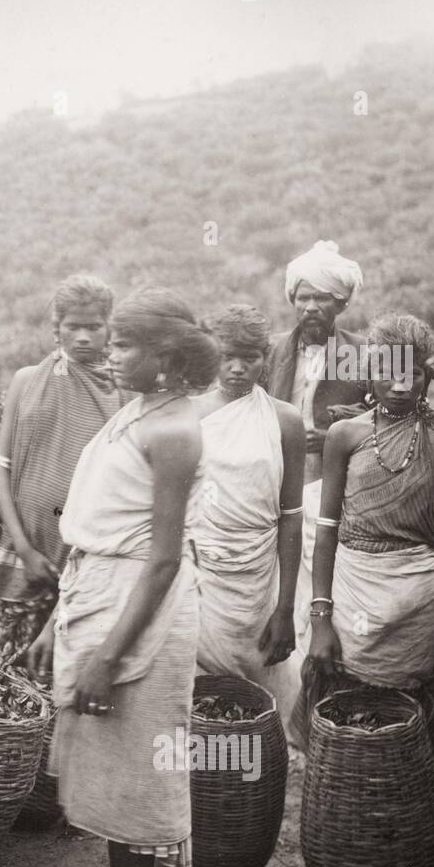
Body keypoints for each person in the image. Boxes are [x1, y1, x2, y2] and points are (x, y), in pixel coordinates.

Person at [28, 288, 217, 867]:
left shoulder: (175, 431)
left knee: (136, 772)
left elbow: (163, 558)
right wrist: (60, 617)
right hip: (102, 591)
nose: (110, 354)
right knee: (109, 769)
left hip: (143, 608)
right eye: (110, 343)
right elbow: (103, 528)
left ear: (166, 358)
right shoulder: (138, 412)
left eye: (124, 345)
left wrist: (109, 655)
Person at [306, 315, 434, 755]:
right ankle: (343, 802)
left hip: (419, 598)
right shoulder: (344, 436)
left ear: (426, 378)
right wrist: (320, 619)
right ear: (370, 376)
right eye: (388, 373)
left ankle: (404, 804)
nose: (399, 386)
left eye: (411, 374)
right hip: (354, 589)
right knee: (343, 708)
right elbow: (326, 531)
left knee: (410, 720)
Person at [0, 275, 124, 671]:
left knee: (67, 676)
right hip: (24, 554)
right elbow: (2, 471)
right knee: (12, 680)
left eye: (93, 327)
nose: (82, 336)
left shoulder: (123, 392)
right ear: (56, 329)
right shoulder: (28, 381)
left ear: (109, 328)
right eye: (72, 326)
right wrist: (25, 549)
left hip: (89, 559)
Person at [192, 305, 306, 740]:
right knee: (203, 703)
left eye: (250, 357)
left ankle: (258, 787)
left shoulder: (284, 420)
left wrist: (285, 608)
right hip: (203, 578)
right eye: (226, 356)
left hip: (259, 581)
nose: (237, 368)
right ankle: (206, 796)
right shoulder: (192, 415)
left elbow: (290, 517)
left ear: (266, 357)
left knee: (263, 709)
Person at [266, 241, 367, 656]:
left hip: (335, 491)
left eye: (321, 298)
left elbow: (392, 415)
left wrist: (333, 441)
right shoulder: (271, 350)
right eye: (303, 297)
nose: (310, 306)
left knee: (326, 584)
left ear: (340, 303)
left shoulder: (366, 352)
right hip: (276, 485)